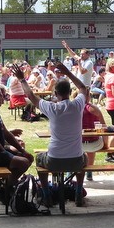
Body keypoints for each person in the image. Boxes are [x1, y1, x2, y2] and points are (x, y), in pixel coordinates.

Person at [13, 61, 89, 206]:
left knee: (39, 160)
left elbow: (30, 94)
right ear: (69, 92)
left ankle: (47, 195)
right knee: (84, 158)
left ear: (55, 93)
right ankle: (78, 192)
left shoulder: (51, 108)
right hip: (76, 160)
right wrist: (67, 72)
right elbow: (82, 88)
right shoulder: (78, 104)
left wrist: (22, 79)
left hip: (54, 159)